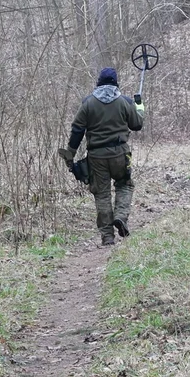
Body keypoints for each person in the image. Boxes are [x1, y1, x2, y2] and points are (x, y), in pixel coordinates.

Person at [61, 67, 146, 246]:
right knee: (124, 185)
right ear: (116, 83)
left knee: (102, 194)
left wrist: (70, 154)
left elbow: (77, 130)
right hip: (121, 154)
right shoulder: (125, 102)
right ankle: (121, 217)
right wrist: (139, 106)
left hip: (97, 157)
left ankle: (107, 237)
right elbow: (137, 125)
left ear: (98, 82)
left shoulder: (88, 103)